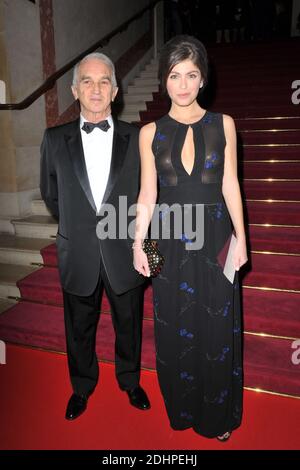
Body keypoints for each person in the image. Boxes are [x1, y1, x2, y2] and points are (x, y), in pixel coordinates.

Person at [133, 35, 247, 441]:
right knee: (172, 323)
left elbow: (231, 185)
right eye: (175, 75)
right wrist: (138, 245)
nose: (183, 84)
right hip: (166, 241)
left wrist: (243, 240)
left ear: (203, 80)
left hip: (217, 239)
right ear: (165, 79)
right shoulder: (149, 133)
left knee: (216, 327)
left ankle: (216, 418)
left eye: (192, 75)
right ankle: (182, 410)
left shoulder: (224, 125)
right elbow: (148, 195)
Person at [40, 52, 150, 421]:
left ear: (116, 90)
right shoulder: (54, 139)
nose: (96, 88)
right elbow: (50, 193)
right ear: (75, 90)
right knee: (79, 328)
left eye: (104, 81)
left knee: (129, 323)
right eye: (87, 81)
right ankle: (82, 386)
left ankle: (130, 380)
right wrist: (79, 225)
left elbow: (147, 194)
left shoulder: (138, 138)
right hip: (78, 252)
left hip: (126, 250)